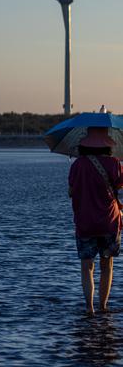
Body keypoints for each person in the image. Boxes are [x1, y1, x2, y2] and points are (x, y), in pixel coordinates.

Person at [69, 127, 123, 314]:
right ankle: (104, 306)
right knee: (107, 265)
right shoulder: (115, 163)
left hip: (85, 223)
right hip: (109, 222)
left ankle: (89, 308)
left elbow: (71, 191)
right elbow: (119, 185)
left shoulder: (77, 165)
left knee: (87, 266)